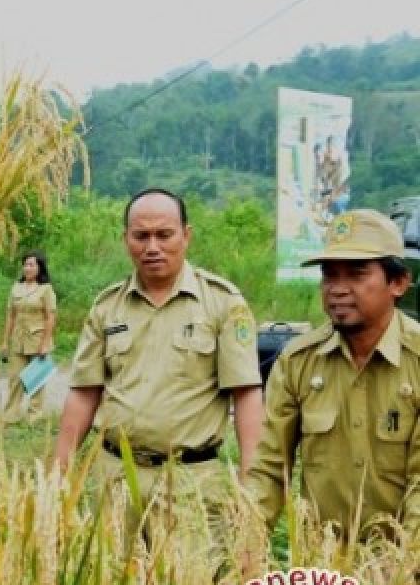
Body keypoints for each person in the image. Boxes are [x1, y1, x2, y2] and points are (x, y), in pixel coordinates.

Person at [54, 188, 263, 555]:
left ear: (186, 235)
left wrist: (252, 484)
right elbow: (85, 391)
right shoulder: (107, 307)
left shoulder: (223, 303)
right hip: (116, 478)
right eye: (141, 236)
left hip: (189, 482)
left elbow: (246, 394)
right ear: (125, 239)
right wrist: (59, 473)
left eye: (164, 235)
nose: (152, 247)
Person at [247, 210, 420, 543]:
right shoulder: (298, 361)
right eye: (329, 276)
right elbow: (269, 468)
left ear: (398, 283)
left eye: (356, 274)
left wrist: (401, 567)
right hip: (322, 565)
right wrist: (248, 545)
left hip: (403, 563)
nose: (338, 289)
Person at [0, 250, 57, 421]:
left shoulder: (45, 289)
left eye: (32, 265)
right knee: (15, 378)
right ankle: (11, 414)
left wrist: (45, 343)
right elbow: (11, 316)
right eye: (25, 264)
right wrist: (4, 342)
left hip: (38, 339)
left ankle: (35, 415)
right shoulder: (16, 288)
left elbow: (51, 316)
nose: (28, 268)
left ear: (40, 268)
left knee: (36, 379)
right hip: (18, 339)